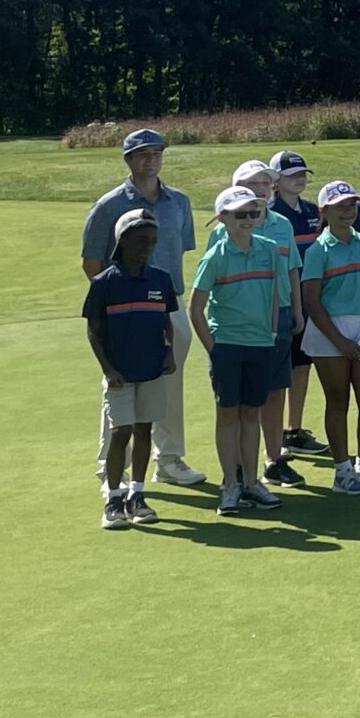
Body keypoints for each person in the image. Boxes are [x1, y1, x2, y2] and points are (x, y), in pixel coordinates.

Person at [80, 128, 204, 487]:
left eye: (157, 153)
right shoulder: (108, 205)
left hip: (169, 306)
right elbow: (92, 262)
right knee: (119, 385)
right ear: (129, 160)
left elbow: (178, 251)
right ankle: (111, 467)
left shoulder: (179, 202)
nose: (152, 160)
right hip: (124, 310)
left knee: (168, 385)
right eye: (143, 154)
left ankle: (169, 460)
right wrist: (115, 302)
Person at [189, 185, 285, 515]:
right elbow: (195, 309)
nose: (248, 219)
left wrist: (272, 333)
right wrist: (213, 349)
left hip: (260, 344)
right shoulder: (215, 257)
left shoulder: (269, 250)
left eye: (253, 213)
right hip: (227, 345)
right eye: (240, 214)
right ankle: (230, 484)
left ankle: (252, 482)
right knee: (228, 414)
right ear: (223, 218)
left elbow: (275, 296)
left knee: (251, 414)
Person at [211, 161, 303, 490]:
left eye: (266, 183)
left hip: (279, 315)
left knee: (275, 391)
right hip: (238, 322)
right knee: (238, 402)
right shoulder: (223, 230)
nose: (261, 189)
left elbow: (291, 269)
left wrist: (297, 310)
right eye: (253, 184)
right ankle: (237, 468)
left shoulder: (282, 224)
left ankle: (273, 459)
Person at [85, 208, 178, 528]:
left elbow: (165, 320)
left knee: (143, 430)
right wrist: (107, 368)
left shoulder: (161, 280)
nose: (146, 247)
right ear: (122, 241)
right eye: (140, 241)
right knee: (120, 432)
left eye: (151, 241)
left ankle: (137, 495)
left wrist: (169, 352)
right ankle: (113, 498)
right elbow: (94, 330)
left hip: (151, 369)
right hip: (119, 374)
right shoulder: (104, 283)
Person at [299, 179, 360, 490]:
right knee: (338, 399)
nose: (347, 211)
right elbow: (312, 301)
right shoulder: (318, 250)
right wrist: (339, 341)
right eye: (340, 206)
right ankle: (342, 472)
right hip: (328, 332)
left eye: (351, 205)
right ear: (324, 211)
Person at [266, 150, 329, 460]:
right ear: (276, 180)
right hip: (280, 301)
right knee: (281, 371)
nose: (299, 179)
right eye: (292, 175)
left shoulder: (313, 211)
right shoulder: (268, 213)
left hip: (310, 299)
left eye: (302, 174)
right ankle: (275, 434)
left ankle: (294, 429)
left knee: (302, 366)